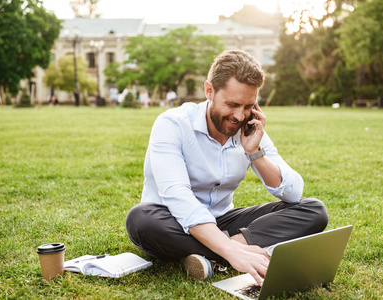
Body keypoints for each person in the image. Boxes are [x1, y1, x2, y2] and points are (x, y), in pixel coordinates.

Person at [126, 50, 328, 286]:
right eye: (232, 104)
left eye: (248, 106)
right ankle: (228, 253)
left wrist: (255, 152)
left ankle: (207, 257)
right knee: (140, 219)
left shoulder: (250, 128)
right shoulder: (172, 124)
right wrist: (232, 250)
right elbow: (178, 197)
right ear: (209, 91)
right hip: (171, 219)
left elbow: (293, 192)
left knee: (313, 210)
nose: (239, 115)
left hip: (223, 220)